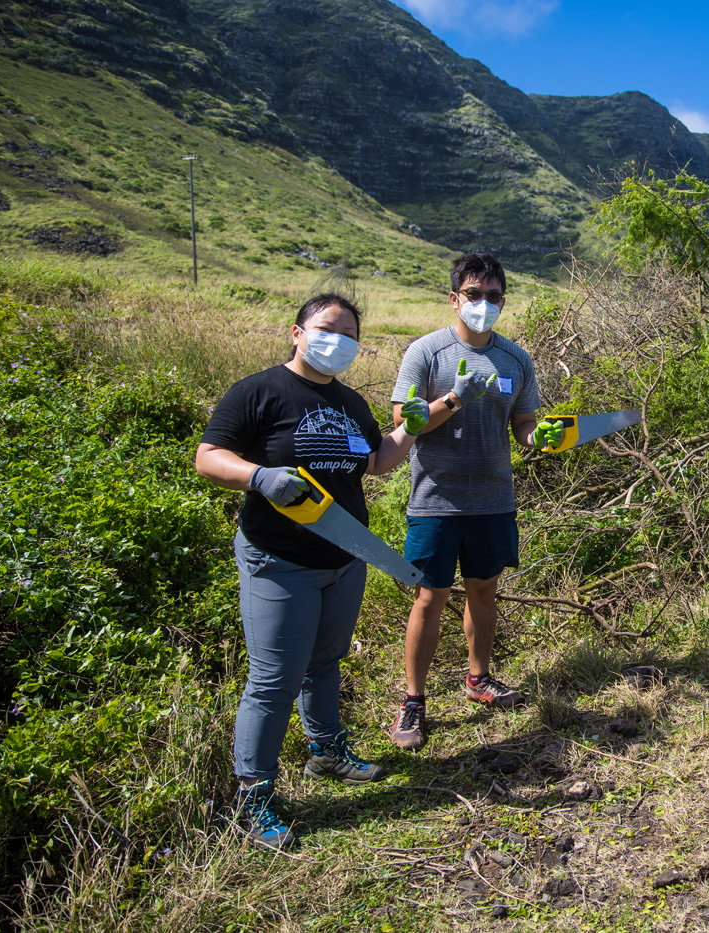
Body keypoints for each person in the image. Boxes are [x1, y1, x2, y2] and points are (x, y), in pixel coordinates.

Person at [195, 293, 432, 850]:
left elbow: (374, 463)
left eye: (350, 334)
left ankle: (326, 752)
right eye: (328, 328)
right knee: (273, 681)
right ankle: (253, 797)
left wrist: (414, 428)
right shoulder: (258, 391)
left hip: (344, 559)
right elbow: (209, 457)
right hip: (280, 561)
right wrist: (258, 477)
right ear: (297, 332)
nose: (339, 341)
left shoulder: (350, 401)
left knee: (324, 664)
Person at [384, 253, 565, 750]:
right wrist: (453, 400)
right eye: (473, 295)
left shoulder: (516, 359)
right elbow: (405, 420)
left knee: (484, 592)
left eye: (493, 296)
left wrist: (539, 438)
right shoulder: (426, 353)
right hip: (435, 500)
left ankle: (478, 679)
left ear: (503, 301)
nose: (483, 304)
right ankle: (414, 703)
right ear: (454, 298)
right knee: (430, 598)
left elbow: (524, 424)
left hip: (493, 499)